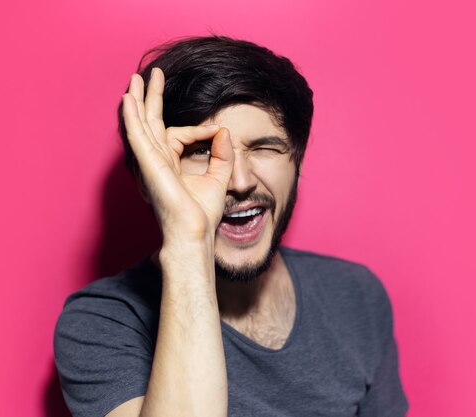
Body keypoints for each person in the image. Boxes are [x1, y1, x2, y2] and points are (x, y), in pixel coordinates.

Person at [54, 36, 408, 417]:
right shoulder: (103, 323)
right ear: (149, 180)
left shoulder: (356, 295)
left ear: (298, 165)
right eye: (201, 151)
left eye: (264, 148)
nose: (239, 181)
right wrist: (190, 241)